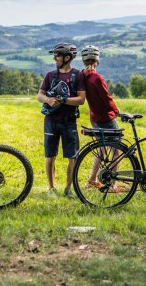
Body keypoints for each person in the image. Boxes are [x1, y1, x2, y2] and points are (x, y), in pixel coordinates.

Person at [36, 42, 86, 197]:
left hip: (69, 121)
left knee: (73, 156)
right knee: (50, 155)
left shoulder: (77, 75)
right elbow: (39, 95)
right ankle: (51, 189)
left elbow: (81, 99)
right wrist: (47, 100)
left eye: (57, 55)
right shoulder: (50, 75)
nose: (55, 58)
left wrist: (64, 100)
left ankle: (68, 188)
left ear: (67, 57)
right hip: (50, 121)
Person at [79, 45, 121, 190]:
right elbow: (107, 98)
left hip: (94, 118)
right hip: (107, 119)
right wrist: (117, 111)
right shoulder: (97, 78)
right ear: (97, 60)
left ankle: (92, 180)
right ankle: (113, 185)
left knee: (101, 149)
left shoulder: (83, 76)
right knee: (116, 150)